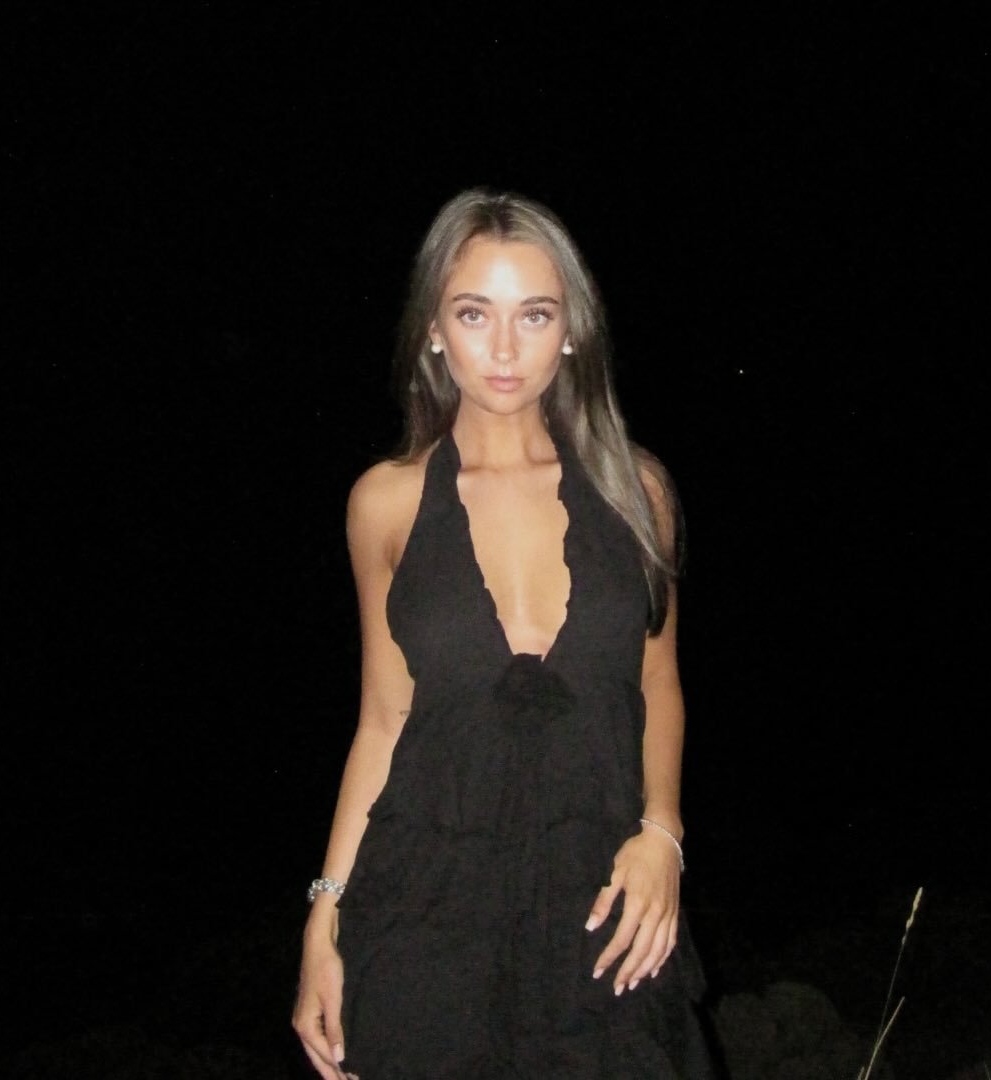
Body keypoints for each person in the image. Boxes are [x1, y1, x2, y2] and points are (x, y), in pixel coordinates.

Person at [292, 189, 715, 1079]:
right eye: (474, 313)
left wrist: (663, 834)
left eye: (535, 314)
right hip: (422, 910)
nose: (505, 349)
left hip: (604, 903)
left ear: (573, 330)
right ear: (433, 330)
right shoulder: (385, 502)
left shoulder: (639, 491)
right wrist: (324, 919)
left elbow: (658, 683)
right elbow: (384, 720)